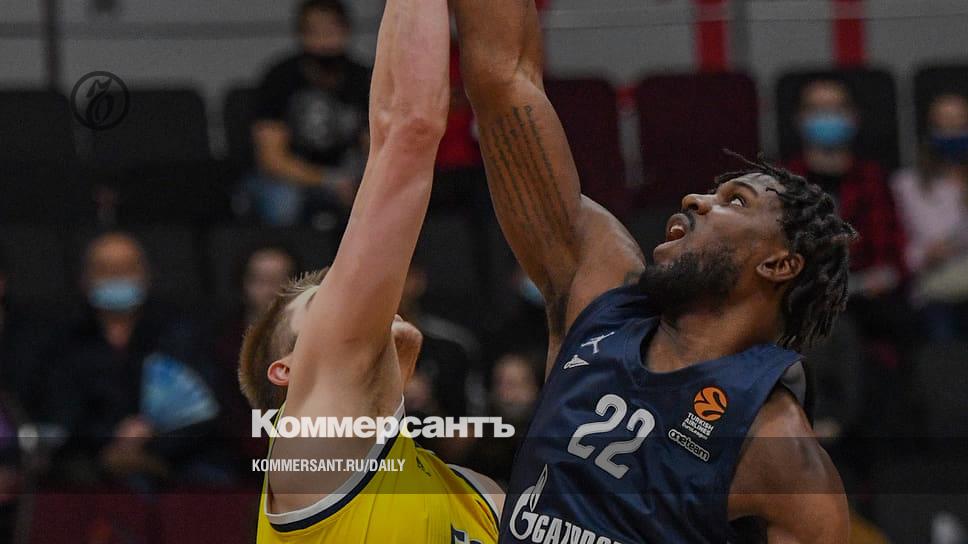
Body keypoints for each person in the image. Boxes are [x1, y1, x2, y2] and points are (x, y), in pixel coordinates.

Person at [452, 0, 852, 541]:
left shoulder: (779, 451)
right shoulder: (598, 293)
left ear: (779, 264)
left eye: (735, 201)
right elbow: (504, 82)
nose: (696, 199)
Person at [239, 1, 501, 541]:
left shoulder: (471, 488)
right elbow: (410, 128)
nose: (350, 299)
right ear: (287, 371)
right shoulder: (305, 445)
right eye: (324, 300)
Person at [46, 233, 222, 488]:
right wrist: (111, 444)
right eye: (105, 270)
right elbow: (60, 414)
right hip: (94, 461)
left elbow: (201, 407)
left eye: (126, 268)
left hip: (176, 458)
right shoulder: (65, 341)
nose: (117, 277)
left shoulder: (180, 333)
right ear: (84, 279)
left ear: (147, 274)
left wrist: (151, 446)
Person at [784, 80, 912, 343]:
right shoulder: (784, 182)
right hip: (805, 300)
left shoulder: (873, 178)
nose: (827, 117)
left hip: (870, 300)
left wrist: (883, 276)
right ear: (800, 119)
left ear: (853, 117)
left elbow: (894, 250)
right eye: (817, 109)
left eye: (836, 109)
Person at [247, 0, 370, 227]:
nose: (324, 41)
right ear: (301, 35)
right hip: (290, 179)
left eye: (331, 31)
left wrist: (362, 184)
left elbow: (376, 150)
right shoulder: (279, 78)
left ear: (346, 31)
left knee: (384, 198)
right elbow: (271, 159)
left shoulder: (364, 79)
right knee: (283, 202)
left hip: (350, 176)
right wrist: (328, 180)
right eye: (315, 32)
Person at [891, 93, 968, 340]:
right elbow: (901, 254)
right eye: (945, 124)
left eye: (961, 124)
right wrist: (926, 254)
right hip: (934, 291)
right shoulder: (907, 185)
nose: (953, 131)